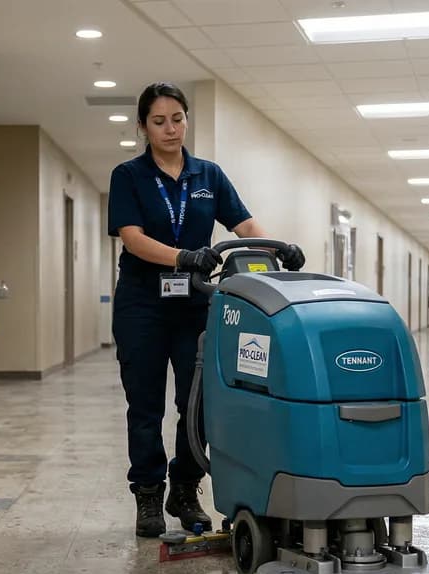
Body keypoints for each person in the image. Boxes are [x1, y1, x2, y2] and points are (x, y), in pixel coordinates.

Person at [107, 82, 305, 538]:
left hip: (195, 304)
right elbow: (132, 237)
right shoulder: (129, 175)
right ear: (143, 127)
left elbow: (244, 222)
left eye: (177, 118)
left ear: (186, 120)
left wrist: (276, 247)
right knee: (146, 405)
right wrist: (181, 256)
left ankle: (184, 487)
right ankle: (148, 495)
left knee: (197, 404)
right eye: (158, 121)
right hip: (142, 306)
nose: (170, 129)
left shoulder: (208, 176)